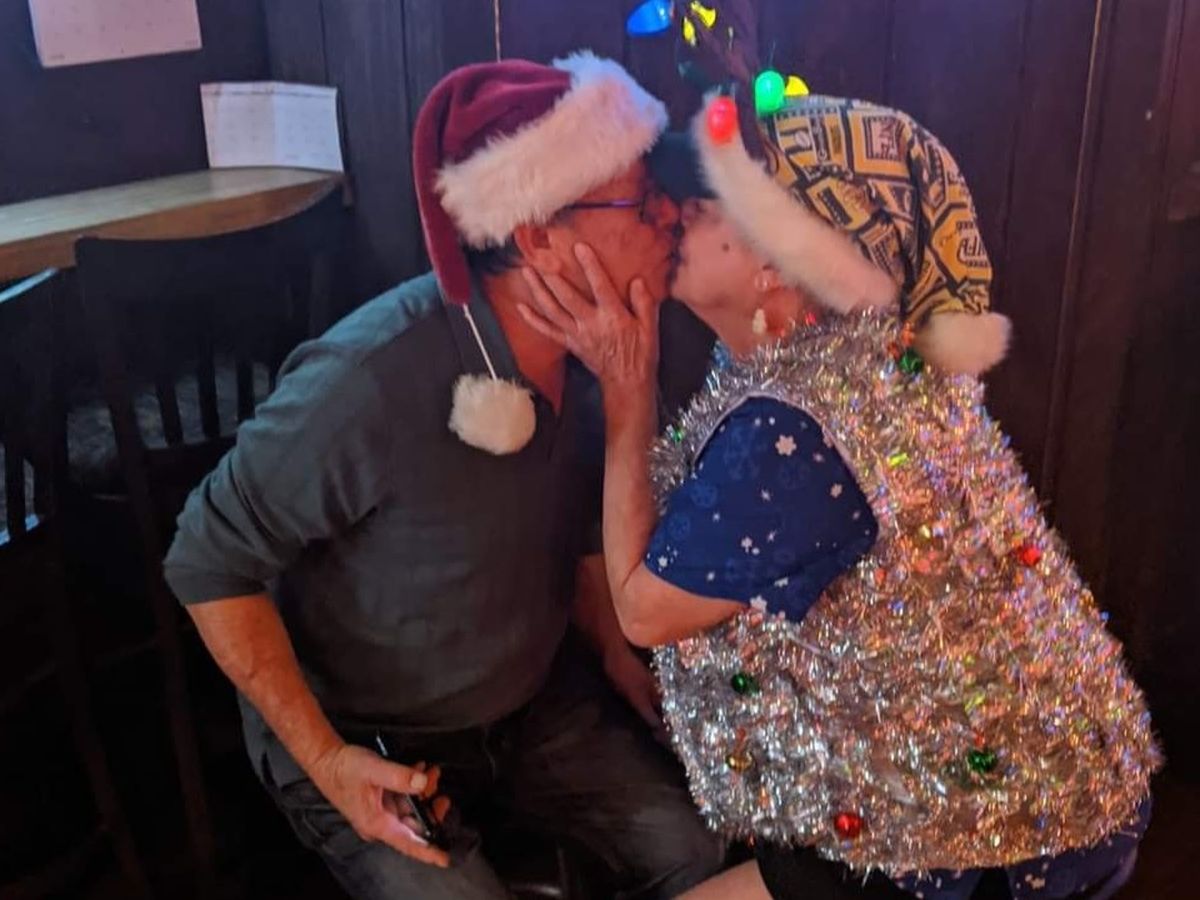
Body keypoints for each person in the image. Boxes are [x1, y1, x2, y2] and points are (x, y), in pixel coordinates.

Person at [518, 92, 1160, 900]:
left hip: (973, 847)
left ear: (782, 258)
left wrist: (625, 386)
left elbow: (643, 609)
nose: (673, 213)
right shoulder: (854, 356)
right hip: (1024, 792)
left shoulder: (796, 430)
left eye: (708, 201)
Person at [162, 53, 723, 899]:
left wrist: (610, 641)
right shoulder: (371, 377)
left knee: (702, 853)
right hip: (371, 738)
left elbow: (572, 516)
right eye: (641, 202)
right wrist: (327, 761)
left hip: (533, 703)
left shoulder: (608, 344)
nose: (671, 214)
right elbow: (205, 558)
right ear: (537, 235)